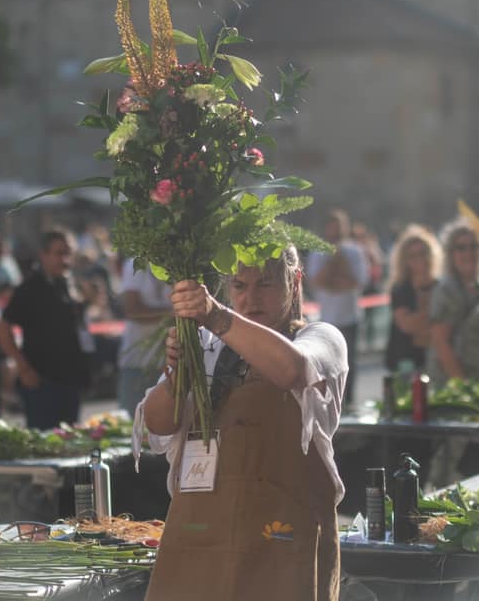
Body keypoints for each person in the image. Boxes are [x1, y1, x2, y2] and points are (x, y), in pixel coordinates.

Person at [134, 245, 346, 600]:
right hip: (201, 534)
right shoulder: (205, 344)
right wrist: (176, 376)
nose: (251, 298)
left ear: (294, 282)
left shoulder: (321, 338)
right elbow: (156, 425)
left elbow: (292, 370)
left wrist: (217, 317)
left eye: (265, 284)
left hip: (281, 538)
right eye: (239, 286)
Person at [0, 230, 91, 429]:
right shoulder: (30, 288)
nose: (64, 259)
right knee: (45, 446)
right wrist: (23, 367)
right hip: (42, 382)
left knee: (71, 444)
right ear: (44, 255)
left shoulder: (67, 283)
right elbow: (3, 328)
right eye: (58, 253)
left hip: (70, 380)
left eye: (68, 253)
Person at [427, 219, 479, 387]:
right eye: (461, 248)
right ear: (451, 254)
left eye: (474, 246)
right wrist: (463, 386)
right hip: (453, 386)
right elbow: (441, 342)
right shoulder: (446, 289)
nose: (468, 252)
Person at [306, 209, 369, 409]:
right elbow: (316, 282)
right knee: (326, 365)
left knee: (350, 363)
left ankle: (348, 401)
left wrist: (339, 264)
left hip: (350, 317)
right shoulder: (318, 252)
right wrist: (332, 263)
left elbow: (357, 281)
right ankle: (328, 402)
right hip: (327, 319)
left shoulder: (355, 251)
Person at [384, 224, 442, 373]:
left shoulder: (440, 286)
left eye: (422, 253)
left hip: (436, 359)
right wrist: (431, 316)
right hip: (405, 359)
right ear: (405, 260)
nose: (419, 259)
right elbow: (407, 325)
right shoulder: (401, 289)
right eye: (413, 255)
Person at [117, 257, 172, 414]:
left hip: (171, 363)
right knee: (132, 419)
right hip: (138, 361)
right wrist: (170, 314)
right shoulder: (135, 263)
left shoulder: (180, 262)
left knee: (168, 425)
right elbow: (132, 309)